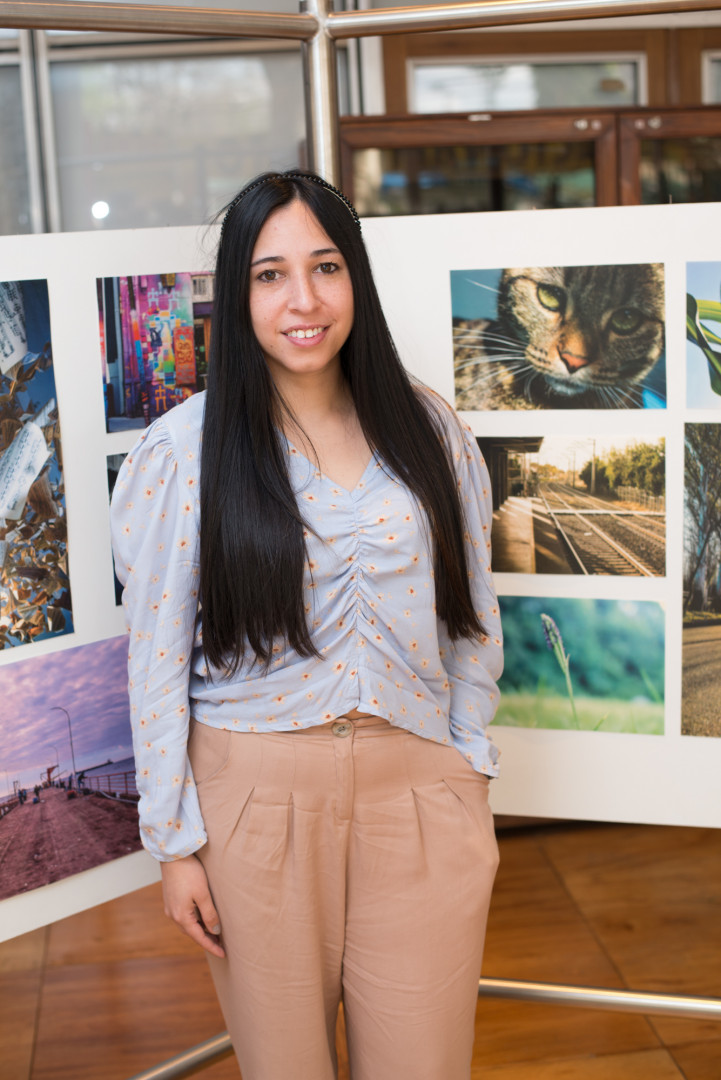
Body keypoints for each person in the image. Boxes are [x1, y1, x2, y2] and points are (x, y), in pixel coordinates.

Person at [110, 170, 503, 1080]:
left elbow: (472, 615)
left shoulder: (429, 429)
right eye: (269, 274)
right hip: (253, 806)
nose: (303, 300)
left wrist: (466, 763)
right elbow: (156, 658)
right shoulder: (185, 448)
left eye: (325, 267)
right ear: (237, 295)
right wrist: (174, 846)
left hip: (419, 794)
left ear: (355, 278)